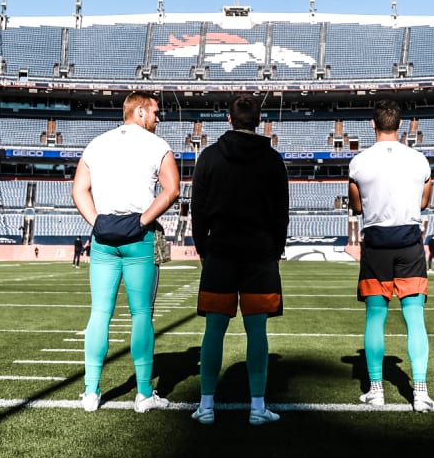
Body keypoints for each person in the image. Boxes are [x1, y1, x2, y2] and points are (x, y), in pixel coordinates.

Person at [71, 91, 179, 414]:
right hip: (138, 237)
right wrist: (143, 220)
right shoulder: (156, 145)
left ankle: (91, 392)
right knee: (141, 314)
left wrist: (98, 222)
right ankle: (144, 394)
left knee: (99, 313)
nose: (159, 119)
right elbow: (173, 188)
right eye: (156, 113)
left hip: (104, 237)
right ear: (142, 111)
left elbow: (78, 190)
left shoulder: (97, 143)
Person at [189, 94, 289, 426]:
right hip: (260, 252)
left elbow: (198, 209)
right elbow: (281, 213)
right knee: (257, 330)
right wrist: (275, 248)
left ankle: (206, 406)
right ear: (258, 121)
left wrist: (203, 247)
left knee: (214, 329)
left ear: (229, 120)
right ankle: (257, 407)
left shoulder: (210, 156)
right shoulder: (273, 160)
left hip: (220, 250)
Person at [348, 99, 434, 412]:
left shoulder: (359, 162)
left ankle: (376, 390)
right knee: (415, 318)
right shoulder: (419, 160)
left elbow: (356, 206)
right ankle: (421, 392)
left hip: (376, 245)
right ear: (401, 125)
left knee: (375, 316)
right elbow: (425, 201)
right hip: (410, 243)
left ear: (373, 125)